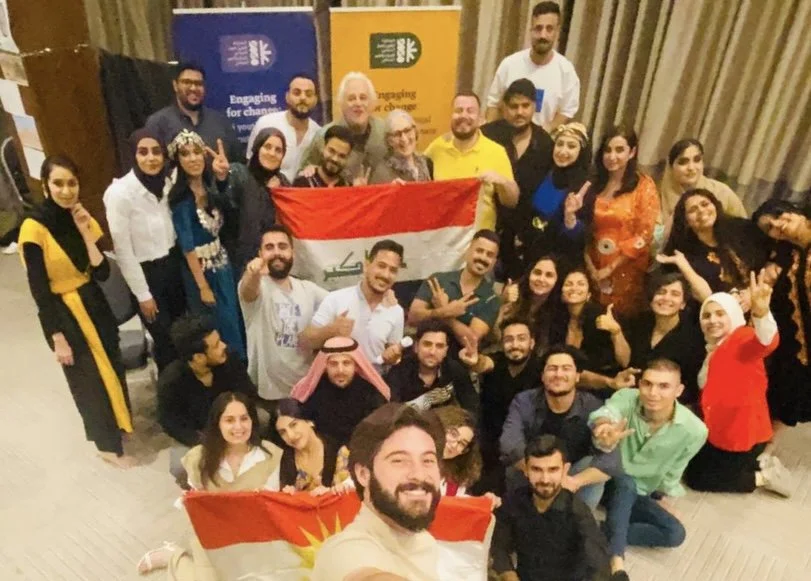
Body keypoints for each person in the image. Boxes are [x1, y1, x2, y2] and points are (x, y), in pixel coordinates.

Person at [19, 155, 135, 468]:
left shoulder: (81, 217)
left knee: (111, 365)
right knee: (88, 380)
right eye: (58, 183)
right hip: (62, 310)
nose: (67, 190)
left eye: (72, 183)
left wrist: (85, 232)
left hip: (93, 300)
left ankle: (120, 426)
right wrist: (56, 337)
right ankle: (106, 445)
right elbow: (39, 290)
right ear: (45, 185)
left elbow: (101, 273)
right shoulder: (33, 228)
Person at [136, 391, 282, 577]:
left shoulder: (269, 455)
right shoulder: (199, 458)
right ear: (217, 423)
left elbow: (270, 505)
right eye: (229, 420)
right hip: (212, 535)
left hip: (253, 536)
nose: (238, 426)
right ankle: (174, 556)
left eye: (244, 419)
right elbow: (194, 504)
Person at [589, 359, 707, 580]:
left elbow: (675, 469)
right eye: (647, 384)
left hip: (640, 491)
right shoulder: (626, 398)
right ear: (639, 385)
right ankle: (617, 564)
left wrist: (661, 495)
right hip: (607, 481)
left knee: (675, 534)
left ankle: (592, 529)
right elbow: (606, 413)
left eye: (663, 386)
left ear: (679, 390)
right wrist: (603, 428)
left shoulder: (695, 430)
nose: (653, 392)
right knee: (625, 481)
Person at [684, 280, 793, 497]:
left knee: (698, 479)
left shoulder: (741, 338)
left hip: (741, 434)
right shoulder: (712, 346)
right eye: (707, 315)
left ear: (733, 315)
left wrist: (761, 313)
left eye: (719, 314)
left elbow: (766, 342)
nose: (712, 320)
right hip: (718, 428)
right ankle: (756, 462)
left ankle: (763, 476)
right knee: (693, 463)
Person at [311, 403, 444, 581]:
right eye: (399, 461)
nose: (419, 475)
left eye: (428, 460)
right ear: (363, 474)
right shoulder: (344, 550)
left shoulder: (425, 543)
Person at [103, 128, 187, 371]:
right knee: (165, 343)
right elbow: (124, 251)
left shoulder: (168, 184)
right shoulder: (120, 193)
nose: (151, 158)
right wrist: (143, 294)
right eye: (143, 152)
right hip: (146, 275)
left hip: (173, 268)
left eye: (156, 152)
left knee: (182, 338)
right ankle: (171, 399)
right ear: (134, 155)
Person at [499, 344, 622, 507]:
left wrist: (573, 481)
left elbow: (612, 461)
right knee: (514, 468)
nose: (558, 374)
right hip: (534, 470)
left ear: (577, 376)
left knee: (593, 466)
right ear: (542, 376)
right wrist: (544, 473)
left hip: (573, 475)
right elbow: (509, 443)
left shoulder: (593, 406)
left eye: (566, 368)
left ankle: (580, 522)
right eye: (552, 368)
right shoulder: (524, 401)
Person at [168, 129, 245, 360]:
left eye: (197, 152)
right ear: (178, 161)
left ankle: (238, 373)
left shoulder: (210, 189)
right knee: (213, 329)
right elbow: (187, 246)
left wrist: (222, 178)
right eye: (185, 154)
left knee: (233, 322)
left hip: (222, 267)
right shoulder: (181, 200)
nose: (193, 158)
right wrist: (202, 287)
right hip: (201, 274)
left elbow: (230, 210)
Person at [491, 435, 610, 581]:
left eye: (553, 470)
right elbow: (498, 545)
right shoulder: (513, 502)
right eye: (537, 469)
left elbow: (598, 566)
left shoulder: (578, 513)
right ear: (526, 470)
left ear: (564, 470)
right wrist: (509, 575)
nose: (545, 479)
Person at [157, 315, 257, 483]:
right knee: (179, 466)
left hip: (234, 422)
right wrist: (204, 442)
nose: (224, 346)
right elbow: (170, 422)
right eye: (217, 345)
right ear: (198, 358)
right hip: (199, 435)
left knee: (263, 418)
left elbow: (248, 396)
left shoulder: (230, 360)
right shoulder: (171, 381)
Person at [238, 225, 328, 409]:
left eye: (282, 246)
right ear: (260, 253)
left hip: (307, 390)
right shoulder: (258, 286)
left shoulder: (307, 289)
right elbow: (248, 290)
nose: (277, 252)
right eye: (269, 247)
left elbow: (340, 302)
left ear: (292, 252)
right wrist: (253, 273)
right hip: (271, 396)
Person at [574, 125, 659, 317]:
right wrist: (590, 265)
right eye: (607, 150)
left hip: (626, 269)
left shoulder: (643, 185)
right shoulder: (592, 183)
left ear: (632, 152)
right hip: (592, 264)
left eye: (619, 150)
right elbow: (584, 227)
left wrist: (610, 268)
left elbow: (644, 235)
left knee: (618, 321)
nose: (612, 156)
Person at [459, 318, 542, 495]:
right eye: (509, 339)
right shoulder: (497, 362)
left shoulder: (541, 368)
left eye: (521, 339)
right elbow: (483, 364)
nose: (515, 344)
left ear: (532, 342)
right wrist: (474, 361)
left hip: (525, 443)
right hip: (488, 442)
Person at [480, 78, 554, 277]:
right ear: (504, 108)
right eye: (513, 106)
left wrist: (537, 229)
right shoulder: (487, 134)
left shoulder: (545, 143)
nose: (519, 112)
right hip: (488, 227)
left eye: (525, 106)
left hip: (525, 235)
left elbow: (549, 191)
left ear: (535, 106)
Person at [301, 239, 405, 370]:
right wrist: (332, 330)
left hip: (374, 387)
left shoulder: (396, 311)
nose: (385, 274)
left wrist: (394, 358)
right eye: (381, 266)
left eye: (393, 270)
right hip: (336, 386)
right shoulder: (336, 299)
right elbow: (305, 342)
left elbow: (392, 355)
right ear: (367, 265)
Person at [753, 199, 811, 427]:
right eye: (770, 228)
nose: (778, 224)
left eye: (779, 214)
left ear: (793, 210)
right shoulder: (790, 254)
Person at [424, 92, 519, 232]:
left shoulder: (496, 151)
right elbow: (417, 182)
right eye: (458, 110)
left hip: (479, 244)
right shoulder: (436, 148)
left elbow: (512, 201)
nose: (464, 116)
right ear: (451, 116)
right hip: (443, 241)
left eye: (470, 111)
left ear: (480, 118)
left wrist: (501, 181)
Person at [485, 1, 580, 131]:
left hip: (544, 145)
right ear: (531, 29)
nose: (543, 35)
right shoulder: (509, 64)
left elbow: (567, 111)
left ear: (557, 31)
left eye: (549, 29)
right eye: (538, 28)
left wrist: (542, 135)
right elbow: (494, 104)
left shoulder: (566, 71)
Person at [613, 271, 704, 405]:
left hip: (672, 406)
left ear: (683, 304)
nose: (666, 298)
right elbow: (627, 363)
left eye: (675, 294)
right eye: (661, 292)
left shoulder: (693, 337)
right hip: (632, 397)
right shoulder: (640, 322)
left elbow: (691, 389)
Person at [659, 188, 766, 303]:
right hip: (714, 314)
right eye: (692, 210)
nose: (701, 210)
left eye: (705, 204)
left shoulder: (740, 229)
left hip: (757, 303)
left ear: (715, 206)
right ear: (686, 221)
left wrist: (751, 293)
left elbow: (766, 262)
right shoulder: (685, 256)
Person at [210, 127, 289, 277]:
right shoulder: (238, 173)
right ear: (257, 148)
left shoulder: (283, 182)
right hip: (238, 264)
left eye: (278, 150)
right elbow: (221, 203)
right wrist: (222, 179)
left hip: (272, 265)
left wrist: (276, 192)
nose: (272, 153)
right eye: (267, 147)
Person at [409, 230, 501, 354]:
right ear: (468, 251)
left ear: (494, 262)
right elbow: (413, 317)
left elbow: (471, 340)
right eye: (479, 251)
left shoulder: (492, 299)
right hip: (422, 356)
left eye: (489, 255)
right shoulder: (438, 280)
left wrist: (446, 314)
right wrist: (443, 312)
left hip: (456, 364)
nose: (483, 258)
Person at [550, 268, 638, 393]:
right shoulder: (555, 321)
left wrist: (616, 332)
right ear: (561, 294)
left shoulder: (603, 317)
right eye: (568, 284)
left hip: (606, 387)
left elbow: (625, 361)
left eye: (581, 284)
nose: (574, 288)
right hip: (567, 387)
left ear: (589, 294)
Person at [290, 337, 389, 446]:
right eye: (333, 364)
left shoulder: (371, 393)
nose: (340, 370)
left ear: (355, 365)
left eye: (346, 363)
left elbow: (378, 435)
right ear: (325, 366)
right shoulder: (312, 392)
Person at [520, 122, 592, 270]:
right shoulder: (541, 172)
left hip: (559, 263)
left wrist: (569, 217)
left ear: (582, 151)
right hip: (527, 255)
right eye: (560, 144)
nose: (563, 151)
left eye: (571, 146)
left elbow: (581, 238)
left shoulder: (585, 187)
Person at [656, 138, 747, 250]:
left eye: (697, 160)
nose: (691, 168)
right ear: (671, 167)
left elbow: (744, 232)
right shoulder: (656, 196)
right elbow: (651, 244)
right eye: (683, 162)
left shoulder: (721, 192)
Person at [300, 71, 387, 183]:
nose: (358, 103)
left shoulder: (385, 132)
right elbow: (302, 175)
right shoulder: (324, 136)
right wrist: (308, 171)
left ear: (372, 103)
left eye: (363, 98)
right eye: (351, 98)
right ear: (341, 104)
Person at [145, 62, 242, 161]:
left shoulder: (221, 122)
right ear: (175, 85)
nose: (193, 88)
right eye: (187, 82)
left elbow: (238, 163)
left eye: (198, 83)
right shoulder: (157, 123)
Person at [385, 319, 478, 414]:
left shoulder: (454, 369)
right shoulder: (398, 373)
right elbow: (391, 415)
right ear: (416, 347)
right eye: (427, 344)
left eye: (439, 346)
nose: (432, 352)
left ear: (446, 351)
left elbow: (472, 409)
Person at [246, 73, 320, 183]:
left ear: (315, 100)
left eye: (308, 94)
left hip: (301, 197)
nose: (303, 98)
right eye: (297, 93)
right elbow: (250, 166)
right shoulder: (266, 123)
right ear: (287, 97)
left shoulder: (319, 133)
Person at [272, 398, 353, 495]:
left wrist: (331, 493)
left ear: (309, 421)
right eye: (283, 432)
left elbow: (354, 492)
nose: (290, 436)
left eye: (293, 425)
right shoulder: (282, 460)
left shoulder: (339, 450)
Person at [496, 255, 561, 353]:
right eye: (537, 273)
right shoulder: (512, 295)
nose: (541, 279)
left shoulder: (558, 309)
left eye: (549, 275)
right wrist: (501, 302)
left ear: (557, 280)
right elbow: (494, 337)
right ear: (529, 274)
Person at [369, 109, 433, 184]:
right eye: (397, 134)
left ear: (415, 131)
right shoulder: (381, 173)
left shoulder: (426, 163)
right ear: (389, 140)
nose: (404, 139)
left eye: (407, 130)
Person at [434, 406, 482, 496]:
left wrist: (484, 501)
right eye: (453, 434)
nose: (454, 445)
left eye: (462, 444)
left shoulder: (456, 480)